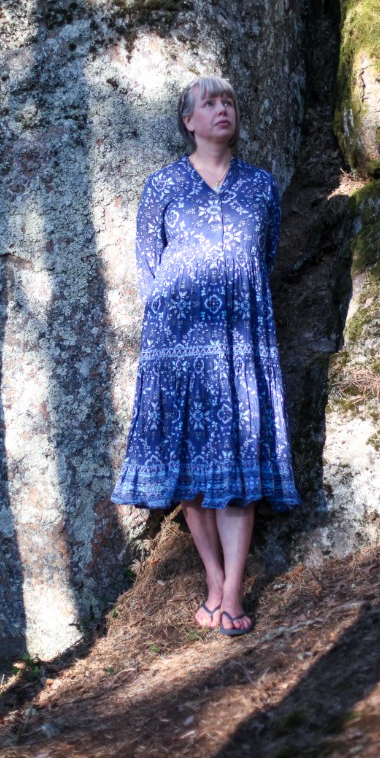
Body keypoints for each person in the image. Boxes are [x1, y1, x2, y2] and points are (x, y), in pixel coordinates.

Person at [111, 75, 300, 635]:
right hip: (177, 347)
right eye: (210, 103)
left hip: (240, 343)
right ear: (188, 121)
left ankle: (234, 592)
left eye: (229, 102)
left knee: (237, 466)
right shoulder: (162, 185)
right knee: (191, 470)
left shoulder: (260, 186)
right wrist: (173, 332)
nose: (223, 110)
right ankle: (214, 580)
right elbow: (149, 266)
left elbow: (263, 257)